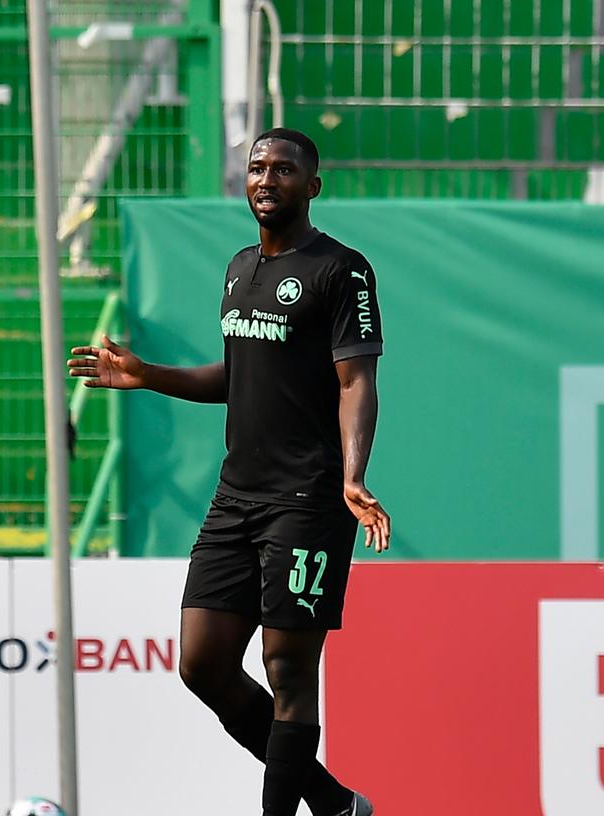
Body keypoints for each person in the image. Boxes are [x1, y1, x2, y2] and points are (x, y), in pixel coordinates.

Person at [68, 128, 390, 816]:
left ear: (313, 185)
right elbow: (241, 376)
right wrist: (146, 374)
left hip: (307, 499)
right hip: (236, 497)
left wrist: (353, 475)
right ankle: (333, 803)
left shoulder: (343, 270)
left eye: (284, 169)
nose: (266, 179)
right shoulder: (240, 266)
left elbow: (356, 380)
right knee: (202, 662)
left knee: (288, 669)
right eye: (256, 168)